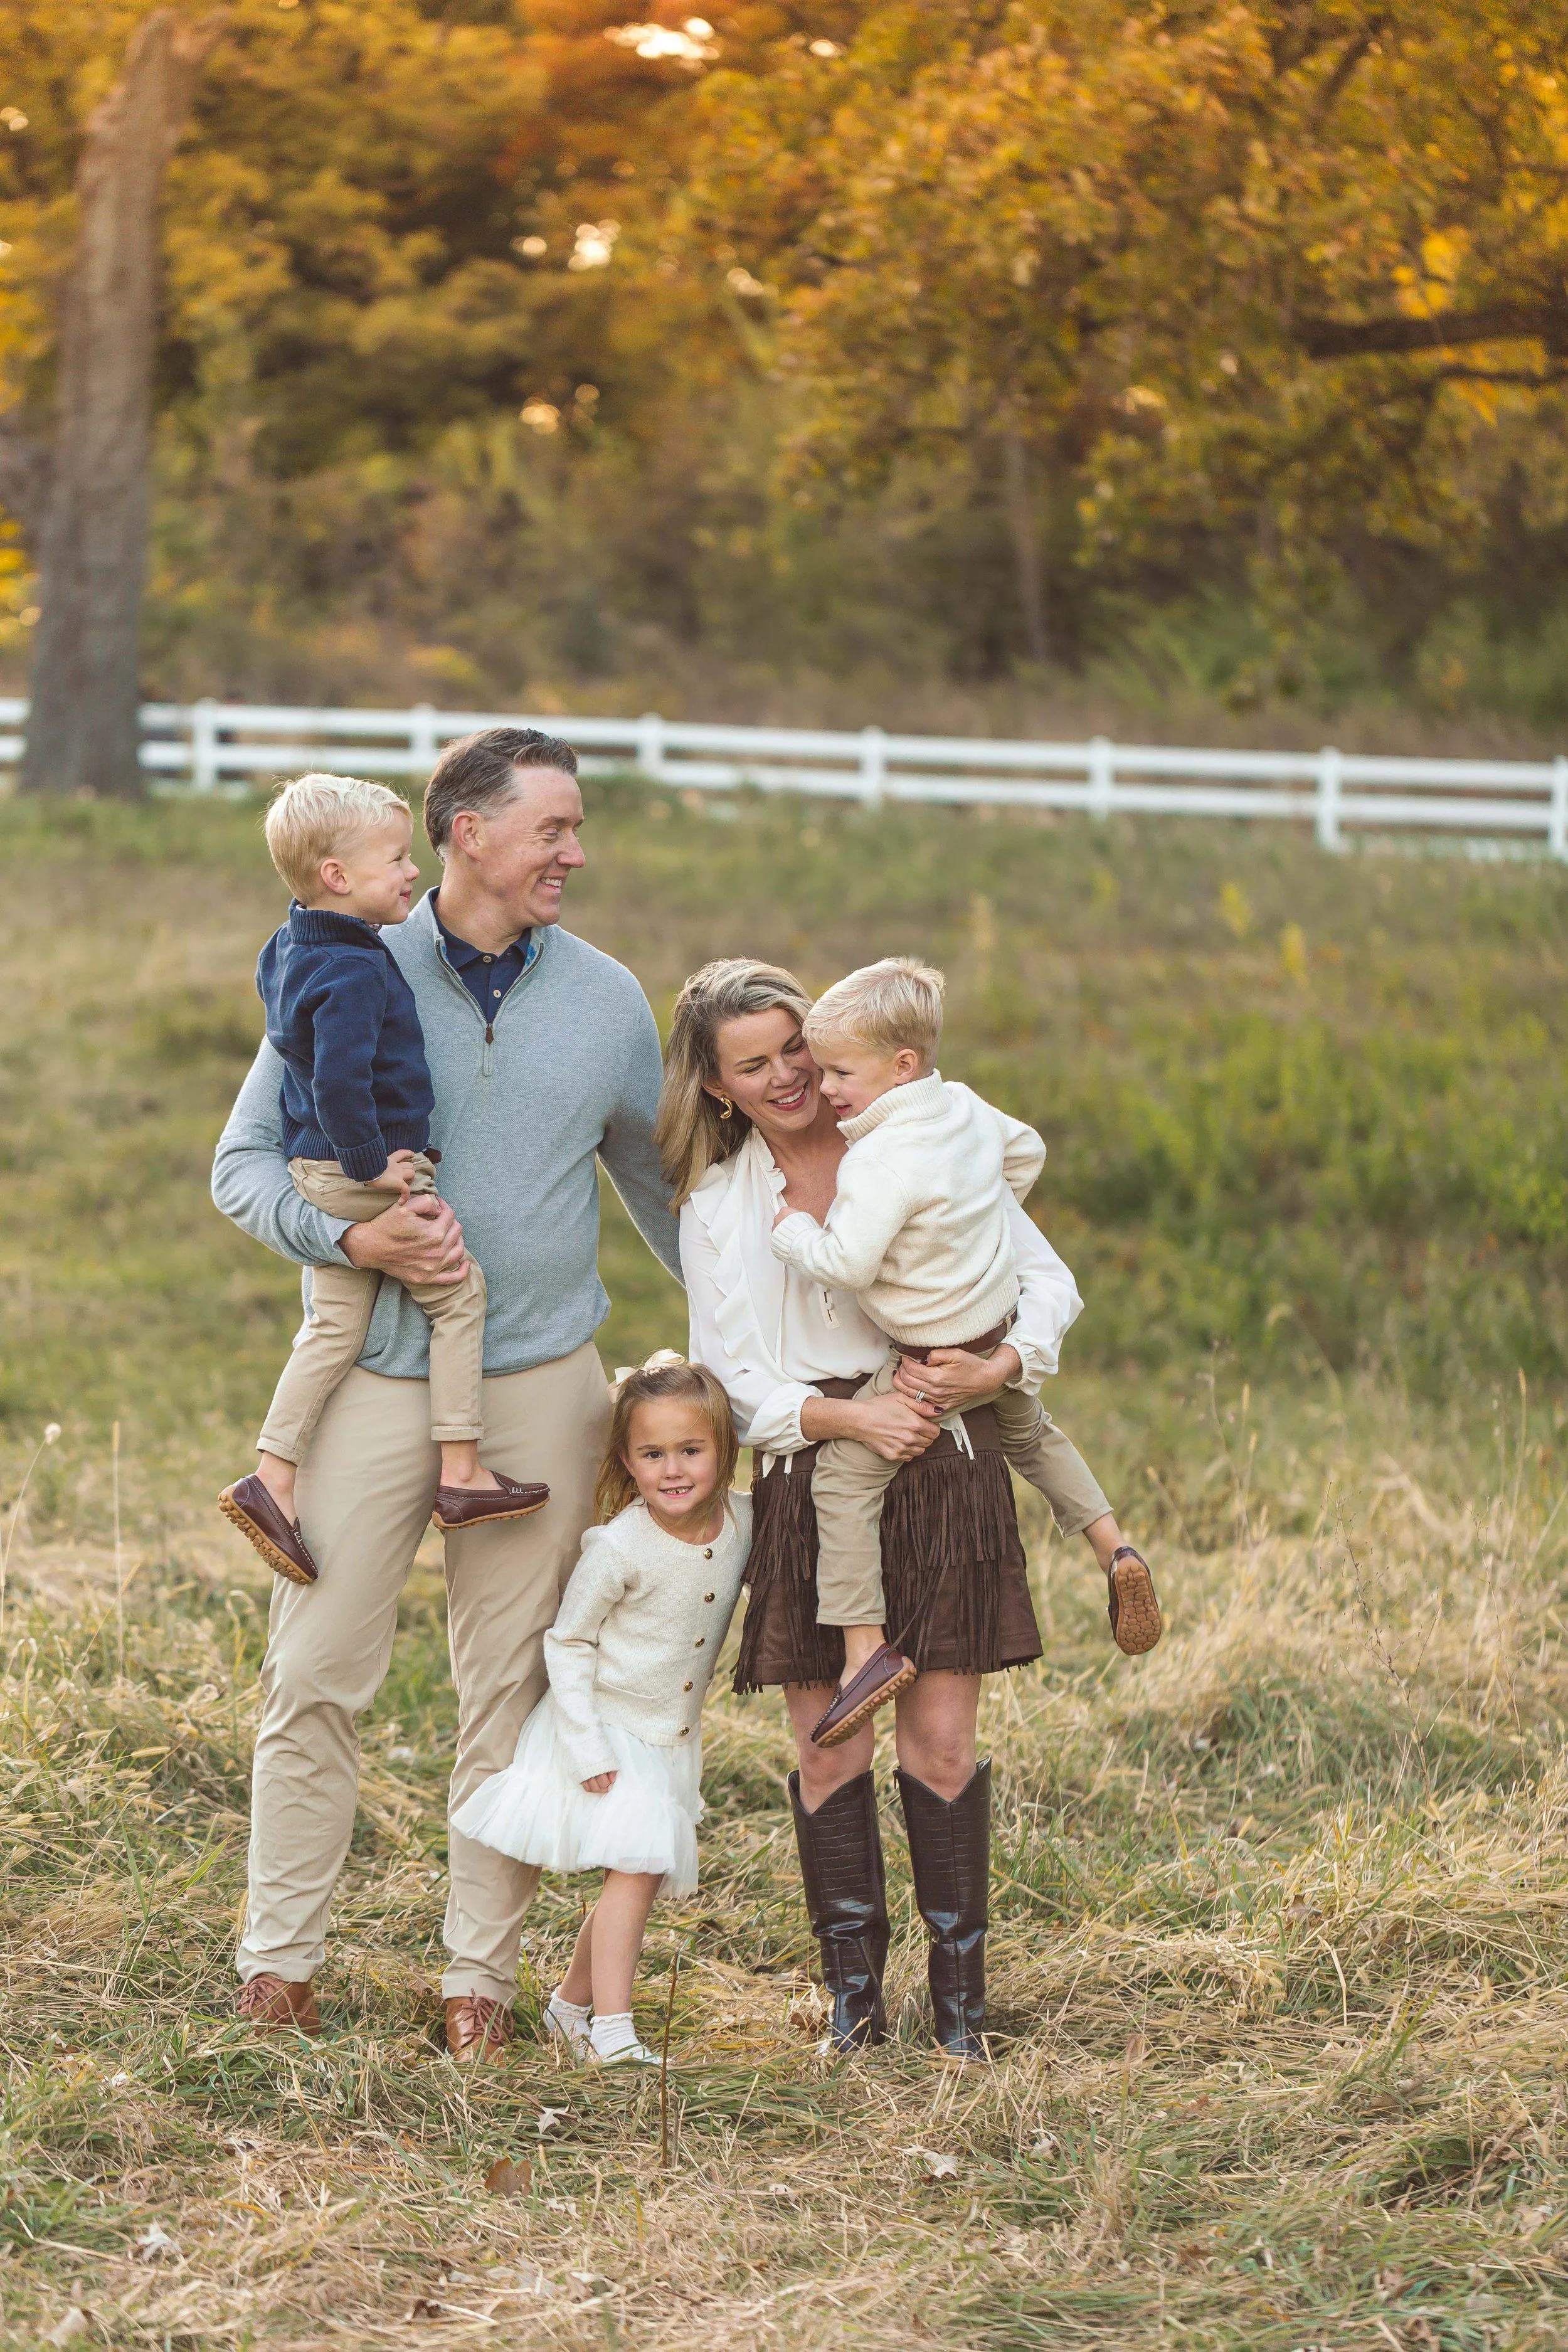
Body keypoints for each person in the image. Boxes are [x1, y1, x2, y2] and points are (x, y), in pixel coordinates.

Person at [211, 726, 682, 2058]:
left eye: (575, 830)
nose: (574, 853)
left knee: (515, 1693)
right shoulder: (341, 961)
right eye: (553, 829)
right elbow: (242, 1167)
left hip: (541, 1384)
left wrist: (790, 1328)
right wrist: (350, 1240)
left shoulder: (605, 1001)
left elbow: (663, 1195)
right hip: (369, 1379)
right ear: (464, 832)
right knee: (311, 1674)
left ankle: (477, 1980)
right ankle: (279, 1962)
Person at [659, 957, 1150, 2063]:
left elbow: (1047, 1277)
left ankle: (961, 2009)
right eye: (756, 1063)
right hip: (820, 1471)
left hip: (947, 1451)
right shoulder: (721, 1207)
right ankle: (853, 2002)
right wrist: (848, 1424)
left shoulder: (916, 1139)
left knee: (939, 1744)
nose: (789, 1076)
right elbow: (730, 1376)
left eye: (797, 1047)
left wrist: (1006, 1363)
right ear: (718, 1088)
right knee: (830, 1746)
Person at [771, 956, 1161, 1747]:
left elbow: (847, 1263)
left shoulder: (880, 1158)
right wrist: (974, 1214)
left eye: (843, 1071)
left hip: (930, 1361)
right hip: (994, 1333)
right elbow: (1029, 1153)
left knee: (845, 1481)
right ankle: (1113, 1546)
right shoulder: (966, 1107)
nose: (829, 1088)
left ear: (901, 1065)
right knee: (1033, 1436)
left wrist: (795, 1236)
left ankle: (864, 1651)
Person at [218, 773, 547, 1588]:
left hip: (312, 1167)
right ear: (337, 877)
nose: (412, 871)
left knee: (332, 1327)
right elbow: (336, 1081)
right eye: (396, 858)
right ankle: (463, 1469)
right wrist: (376, 1167)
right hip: (357, 1171)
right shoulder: (359, 972)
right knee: (459, 1294)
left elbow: (287, 1027)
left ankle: (273, 1477)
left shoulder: (293, 942)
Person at [453, 1356, 749, 2067]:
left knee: (634, 1874)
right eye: (652, 1454)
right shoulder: (620, 1545)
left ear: (723, 1451)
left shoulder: (744, 1519)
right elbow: (569, 1641)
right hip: (607, 1729)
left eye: (690, 1451)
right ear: (626, 1459)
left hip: (671, 1736)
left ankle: (567, 2007)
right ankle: (614, 2032)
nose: (672, 1471)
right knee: (637, 1874)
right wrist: (585, 1745)